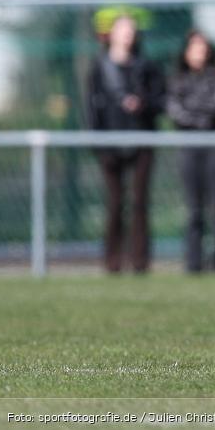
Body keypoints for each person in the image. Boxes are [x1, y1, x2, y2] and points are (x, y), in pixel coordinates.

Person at [86, 15, 165, 273]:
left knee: (140, 202)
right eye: (123, 30)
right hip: (109, 144)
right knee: (115, 203)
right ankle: (112, 262)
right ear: (112, 34)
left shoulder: (146, 65)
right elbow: (91, 106)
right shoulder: (99, 67)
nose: (128, 35)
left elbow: (159, 99)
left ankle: (140, 262)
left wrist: (142, 103)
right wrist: (97, 141)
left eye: (131, 30)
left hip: (141, 141)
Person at [167, 30, 215, 273]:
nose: (200, 52)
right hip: (189, 147)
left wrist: (196, 114)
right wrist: (202, 118)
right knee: (194, 208)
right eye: (194, 47)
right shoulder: (178, 79)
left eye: (203, 47)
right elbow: (175, 110)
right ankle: (193, 263)